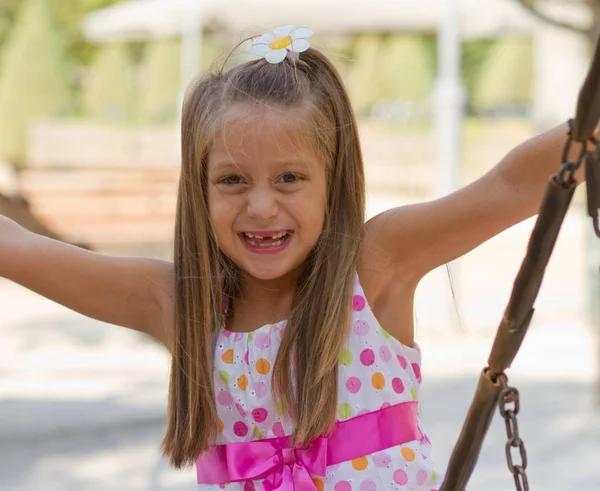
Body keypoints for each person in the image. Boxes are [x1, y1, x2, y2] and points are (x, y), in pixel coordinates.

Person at [0, 25, 588, 491]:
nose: (262, 207)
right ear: (199, 190)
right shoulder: (182, 304)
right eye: (232, 179)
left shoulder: (374, 266)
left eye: (289, 178)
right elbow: (18, 247)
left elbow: (510, 186)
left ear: (332, 183)